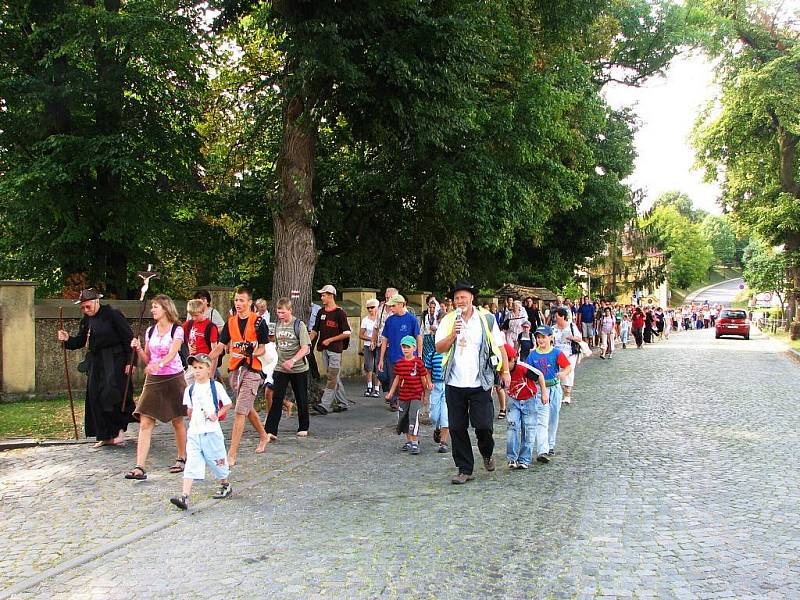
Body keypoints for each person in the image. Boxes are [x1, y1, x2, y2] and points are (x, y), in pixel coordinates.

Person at [435, 281, 510, 485]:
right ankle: (464, 469)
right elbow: (439, 348)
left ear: (471, 298)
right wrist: (453, 334)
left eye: (463, 297)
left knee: (484, 425)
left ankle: (487, 452)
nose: (460, 301)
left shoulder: (486, 319)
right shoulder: (449, 320)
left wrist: (505, 371)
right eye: (457, 298)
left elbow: (500, 346)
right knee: (457, 428)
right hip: (454, 382)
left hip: (480, 382)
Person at [57, 288, 136, 447]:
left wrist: (131, 362)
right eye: (83, 308)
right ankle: (105, 435)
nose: (86, 310)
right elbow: (79, 341)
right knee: (94, 396)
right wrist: (67, 339)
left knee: (111, 394)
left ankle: (118, 431)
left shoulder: (113, 314)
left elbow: (129, 338)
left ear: (96, 301)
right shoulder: (86, 319)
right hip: (97, 361)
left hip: (116, 359)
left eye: (88, 307)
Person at [126, 294, 188, 480]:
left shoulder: (177, 330)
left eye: (156, 307)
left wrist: (159, 364)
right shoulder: (150, 331)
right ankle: (140, 467)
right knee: (145, 422)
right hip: (154, 379)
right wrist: (137, 349)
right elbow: (147, 358)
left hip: (173, 377)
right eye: (152, 306)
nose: (152, 309)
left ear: (166, 309)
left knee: (177, 420)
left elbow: (172, 353)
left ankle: (181, 457)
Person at [208, 287, 270, 467]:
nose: (238, 304)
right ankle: (264, 435)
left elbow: (263, 348)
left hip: (252, 370)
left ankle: (231, 453)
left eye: (242, 300)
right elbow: (220, 346)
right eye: (236, 300)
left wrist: (250, 355)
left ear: (250, 302)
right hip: (235, 370)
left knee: (239, 411)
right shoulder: (230, 322)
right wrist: (205, 358)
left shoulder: (258, 322)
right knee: (247, 407)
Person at [170, 354, 232, 510]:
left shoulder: (215, 386)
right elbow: (190, 409)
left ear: (208, 369)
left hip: (211, 431)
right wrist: (194, 418)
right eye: (195, 368)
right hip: (195, 433)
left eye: (200, 368)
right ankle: (184, 496)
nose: (197, 371)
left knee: (217, 461)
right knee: (191, 463)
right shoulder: (190, 389)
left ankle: (225, 484)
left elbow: (227, 404)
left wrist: (216, 415)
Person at [264, 298, 312, 438]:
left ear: (290, 310)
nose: (280, 315)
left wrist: (293, 360)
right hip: (281, 367)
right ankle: (271, 430)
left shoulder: (299, 325)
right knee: (277, 397)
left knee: (301, 397)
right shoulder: (278, 325)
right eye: (278, 312)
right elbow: (277, 345)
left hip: (298, 367)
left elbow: (305, 348)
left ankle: (303, 426)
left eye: (283, 312)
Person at [526, 326, 572, 458]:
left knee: (553, 417)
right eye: (538, 337)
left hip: (555, 388)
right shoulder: (533, 355)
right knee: (542, 420)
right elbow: (528, 371)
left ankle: (550, 444)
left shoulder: (556, 353)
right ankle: (542, 450)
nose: (540, 340)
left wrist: (563, 373)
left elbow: (567, 366)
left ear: (551, 337)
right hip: (541, 390)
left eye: (543, 337)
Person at [504, 344, 548, 470]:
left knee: (529, 430)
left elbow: (539, 375)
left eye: (508, 362)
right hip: (514, 400)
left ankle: (524, 459)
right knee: (512, 428)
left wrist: (544, 393)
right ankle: (512, 458)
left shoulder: (523, 368)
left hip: (529, 400)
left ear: (513, 359)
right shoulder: (503, 370)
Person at [385, 336, 431, 455]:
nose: (405, 349)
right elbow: (397, 379)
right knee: (403, 418)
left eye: (408, 347)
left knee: (413, 417)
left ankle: (415, 442)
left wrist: (425, 396)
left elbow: (424, 380)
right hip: (403, 396)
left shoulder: (418, 363)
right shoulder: (400, 363)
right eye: (403, 347)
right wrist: (391, 393)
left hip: (415, 395)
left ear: (414, 348)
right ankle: (409, 440)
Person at [311, 284, 352, 414]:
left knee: (332, 376)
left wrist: (331, 340)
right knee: (335, 376)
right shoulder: (321, 312)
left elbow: (347, 332)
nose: (322, 297)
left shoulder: (340, 313)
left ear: (330, 296)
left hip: (335, 350)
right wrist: (306, 342)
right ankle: (343, 403)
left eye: (323, 295)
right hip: (323, 349)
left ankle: (325, 405)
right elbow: (314, 330)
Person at [378, 293, 422, 411]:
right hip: (393, 355)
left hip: (409, 357)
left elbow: (418, 337)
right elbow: (384, 338)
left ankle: (404, 400)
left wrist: (419, 354)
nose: (390, 308)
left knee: (407, 379)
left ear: (400, 305)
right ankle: (394, 400)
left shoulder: (411, 319)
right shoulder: (390, 320)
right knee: (392, 378)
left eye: (392, 306)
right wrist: (381, 358)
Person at [183, 299, 220, 384]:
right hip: (192, 362)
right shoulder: (189, 324)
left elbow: (215, 351)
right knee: (188, 386)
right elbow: (180, 337)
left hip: (205, 363)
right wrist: (188, 346)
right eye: (192, 315)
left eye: (196, 315)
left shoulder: (211, 327)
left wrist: (212, 372)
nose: (194, 318)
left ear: (203, 312)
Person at [551, 307, 581, 406]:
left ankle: (567, 394)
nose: (555, 319)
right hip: (557, 353)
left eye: (557, 316)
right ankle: (559, 393)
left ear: (563, 317)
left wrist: (571, 337)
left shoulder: (571, 326)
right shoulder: (553, 328)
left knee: (569, 372)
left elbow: (579, 338)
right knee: (560, 372)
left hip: (570, 353)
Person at [424, 345, 449, 454]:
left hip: (448, 386)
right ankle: (437, 428)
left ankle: (443, 442)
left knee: (445, 414)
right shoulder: (432, 354)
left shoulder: (451, 353)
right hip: (436, 386)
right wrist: (429, 382)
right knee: (434, 414)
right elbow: (427, 370)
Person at [359, 298, 380, 397]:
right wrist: (371, 339)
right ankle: (369, 386)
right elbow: (361, 334)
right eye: (368, 308)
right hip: (368, 345)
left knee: (378, 366)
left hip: (379, 344)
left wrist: (375, 341)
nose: (370, 310)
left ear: (377, 307)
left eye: (372, 307)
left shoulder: (380, 319)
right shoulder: (365, 320)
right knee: (369, 366)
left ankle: (377, 388)